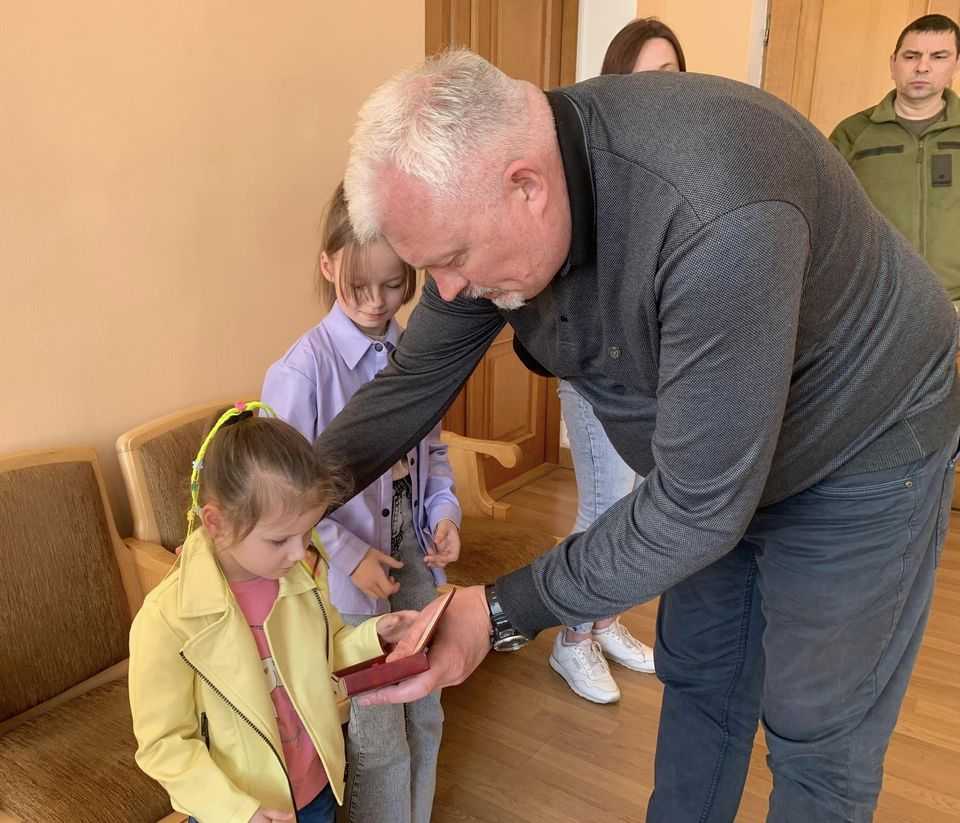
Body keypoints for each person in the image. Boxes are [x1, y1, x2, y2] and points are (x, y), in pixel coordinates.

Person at [313, 49, 960, 821]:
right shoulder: (487, 202)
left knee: (816, 736)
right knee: (703, 677)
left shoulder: (717, 214)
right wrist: (288, 496)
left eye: (452, 261)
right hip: (710, 461)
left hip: (860, 443)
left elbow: (695, 510)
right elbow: (413, 381)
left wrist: (499, 608)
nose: (448, 291)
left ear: (526, 187)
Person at [261, 183, 461, 823]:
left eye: (394, 285)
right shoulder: (301, 372)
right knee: (378, 735)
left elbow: (433, 450)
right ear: (328, 267)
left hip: (413, 555)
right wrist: (347, 555)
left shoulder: (415, 355)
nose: (377, 302)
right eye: (359, 287)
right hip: (345, 578)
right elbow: (284, 498)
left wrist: (444, 511)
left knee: (426, 712)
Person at [129, 403, 418, 823]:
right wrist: (237, 811)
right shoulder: (167, 619)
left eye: (307, 533)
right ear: (216, 523)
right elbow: (164, 745)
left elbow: (326, 651)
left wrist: (376, 635)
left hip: (315, 791)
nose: (299, 552)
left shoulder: (300, 576)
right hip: (236, 811)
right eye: (280, 540)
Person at [546, 17, 689, 703]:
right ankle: (571, 639)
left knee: (630, 508)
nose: (657, 94)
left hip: (651, 375)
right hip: (599, 373)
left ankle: (604, 622)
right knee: (604, 510)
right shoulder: (589, 172)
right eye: (640, 81)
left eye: (669, 78)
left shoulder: (684, 166)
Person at [830, 14, 960, 300]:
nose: (922, 67)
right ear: (893, 64)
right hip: (878, 301)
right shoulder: (853, 132)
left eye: (938, 57)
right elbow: (827, 216)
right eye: (911, 56)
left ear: (956, 64)